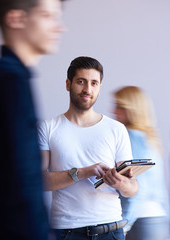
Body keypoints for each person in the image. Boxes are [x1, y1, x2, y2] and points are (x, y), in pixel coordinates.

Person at [0, 0, 65, 239]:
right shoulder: (9, 80)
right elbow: (23, 179)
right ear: (15, 19)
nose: (60, 27)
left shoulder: (1, 76)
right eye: (47, 15)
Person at [38, 56, 139, 240]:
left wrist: (121, 183)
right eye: (81, 82)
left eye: (94, 83)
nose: (87, 89)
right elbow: (38, 180)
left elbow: (132, 188)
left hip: (111, 230)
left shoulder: (116, 129)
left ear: (100, 87)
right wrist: (83, 172)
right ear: (68, 84)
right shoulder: (48, 128)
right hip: (66, 232)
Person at [113, 86, 170, 239]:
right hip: (158, 218)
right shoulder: (150, 139)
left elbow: (140, 186)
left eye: (119, 106)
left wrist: (123, 225)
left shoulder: (132, 137)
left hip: (141, 221)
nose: (113, 111)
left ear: (132, 110)